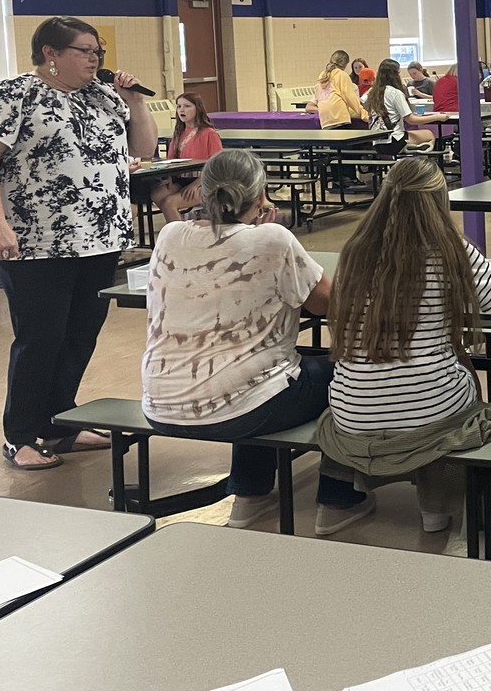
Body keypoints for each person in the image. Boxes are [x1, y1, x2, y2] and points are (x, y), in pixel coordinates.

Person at [141, 149, 372, 532]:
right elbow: (330, 304)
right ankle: (338, 497)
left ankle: (250, 495)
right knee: (346, 373)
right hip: (241, 408)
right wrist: (268, 236)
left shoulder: (169, 235)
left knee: (251, 371)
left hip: (159, 402)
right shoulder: (273, 239)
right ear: (261, 194)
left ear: (202, 192)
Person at [0, 15, 157, 470]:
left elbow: (144, 149)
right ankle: (20, 434)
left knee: (79, 334)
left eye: (98, 52)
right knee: (41, 338)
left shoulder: (102, 96)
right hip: (35, 242)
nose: (95, 59)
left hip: (99, 238)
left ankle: (58, 422)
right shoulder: (12, 95)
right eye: (85, 50)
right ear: (50, 53)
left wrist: (134, 101)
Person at [319, 157, 491, 532]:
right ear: (438, 202)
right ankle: (437, 508)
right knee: (462, 390)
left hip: (353, 414)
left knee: (364, 396)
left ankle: (336, 501)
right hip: (428, 410)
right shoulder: (451, 251)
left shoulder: (355, 251)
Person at [150, 93, 224, 224]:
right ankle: (179, 222)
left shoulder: (209, 133)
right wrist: (168, 178)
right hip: (181, 179)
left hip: (203, 181)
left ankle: (179, 231)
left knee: (169, 202)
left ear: (198, 108)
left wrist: (195, 185)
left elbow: (217, 166)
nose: (182, 110)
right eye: (179, 106)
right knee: (157, 194)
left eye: (187, 106)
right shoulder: (178, 133)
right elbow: (171, 161)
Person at [311, 49, 369, 194]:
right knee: (346, 149)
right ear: (345, 63)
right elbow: (349, 96)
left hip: (325, 116)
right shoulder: (342, 75)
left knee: (334, 150)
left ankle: (337, 180)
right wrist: (362, 112)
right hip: (338, 114)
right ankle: (348, 179)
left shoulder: (323, 74)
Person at [366, 58, 448, 154]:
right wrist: (437, 117)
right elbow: (410, 119)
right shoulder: (395, 93)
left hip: (376, 142)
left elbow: (362, 103)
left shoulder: (372, 92)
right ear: (395, 75)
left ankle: (412, 148)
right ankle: (415, 153)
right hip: (394, 140)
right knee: (429, 134)